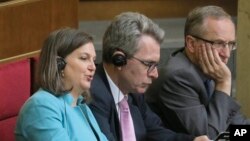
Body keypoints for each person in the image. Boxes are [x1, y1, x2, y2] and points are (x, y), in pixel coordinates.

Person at [88, 12, 209, 141]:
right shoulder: (93, 95)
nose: (155, 74)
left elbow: (157, 133)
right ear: (119, 59)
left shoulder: (133, 92)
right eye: (148, 64)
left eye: (156, 65)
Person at [145, 5, 250, 140]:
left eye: (230, 44)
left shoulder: (209, 68)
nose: (227, 53)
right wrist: (224, 84)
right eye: (218, 43)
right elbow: (210, 137)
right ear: (191, 44)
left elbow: (236, 126)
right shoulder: (178, 76)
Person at [15, 28, 108, 141]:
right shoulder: (41, 106)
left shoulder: (81, 105)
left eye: (93, 60)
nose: (93, 67)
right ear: (59, 64)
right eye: (84, 58)